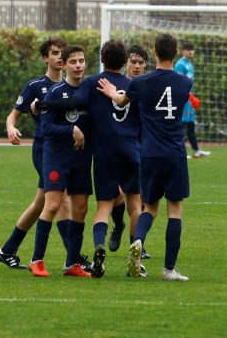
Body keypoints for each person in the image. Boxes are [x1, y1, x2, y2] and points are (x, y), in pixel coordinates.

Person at [34, 40, 142, 278]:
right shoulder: (135, 85)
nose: (78, 65)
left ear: (102, 60)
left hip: (103, 154)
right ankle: (137, 254)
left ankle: (97, 247)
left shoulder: (93, 83)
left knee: (101, 206)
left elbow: (75, 102)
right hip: (131, 152)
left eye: (80, 60)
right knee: (135, 205)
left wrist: (44, 104)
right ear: (126, 62)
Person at [97, 33, 192, 281]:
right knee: (175, 210)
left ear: (155, 54)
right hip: (175, 154)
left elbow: (120, 100)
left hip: (148, 154)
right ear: (174, 53)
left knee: (149, 207)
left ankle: (137, 241)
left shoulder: (140, 83)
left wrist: (109, 91)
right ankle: (169, 269)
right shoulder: (185, 83)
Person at [0, 37, 68, 269]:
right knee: (61, 199)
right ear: (45, 58)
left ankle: (7, 250)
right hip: (44, 148)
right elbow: (13, 114)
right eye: (55, 53)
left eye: (62, 53)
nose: (59, 57)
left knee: (41, 203)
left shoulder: (71, 86)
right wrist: (11, 128)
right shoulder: (35, 86)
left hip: (63, 149)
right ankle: (74, 258)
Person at [27, 44, 92, 278]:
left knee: (81, 210)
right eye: (73, 61)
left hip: (81, 159)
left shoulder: (88, 90)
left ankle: (72, 263)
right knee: (52, 205)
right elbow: (46, 128)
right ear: (64, 65)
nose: (78, 66)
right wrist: (71, 130)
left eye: (81, 61)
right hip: (56, 157)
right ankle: (37, 260)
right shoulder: (55, 92)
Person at [108, 44, 151, 261]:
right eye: (133, 62)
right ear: (126, 63)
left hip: (142, 147)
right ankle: (118, 224)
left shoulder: (147, 87)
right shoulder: (115, 85)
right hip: (116, 149)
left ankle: (138, 244)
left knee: (141, 199)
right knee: (117, 194)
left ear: (145, 65)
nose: (136, 66)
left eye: (140, 63)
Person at [174, 41, 210, 158]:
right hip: (183, 99)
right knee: (182, 126)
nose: (190, 52)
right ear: (183, 51)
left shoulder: (189, 64)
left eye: (191, 49)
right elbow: (178, 83)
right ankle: (180, 152)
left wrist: (192, 97)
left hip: (190, 99)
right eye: (188, 49)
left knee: (190, 125)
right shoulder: (180, 65)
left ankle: (196, 151)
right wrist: (188, 97)